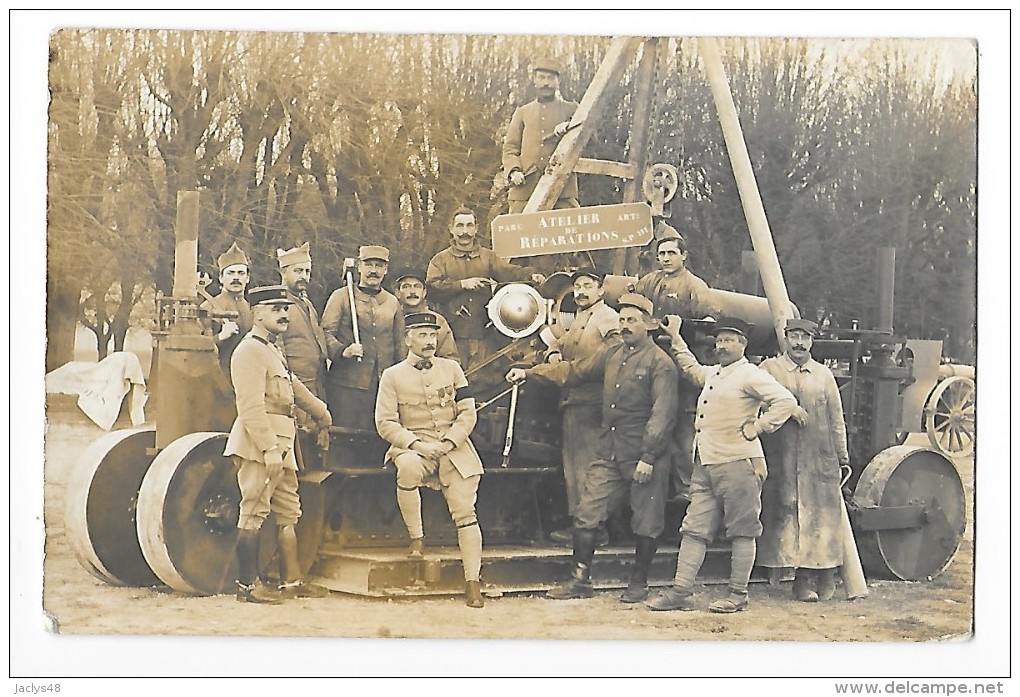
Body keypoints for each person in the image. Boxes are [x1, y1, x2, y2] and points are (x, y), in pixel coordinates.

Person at [506, 293, 679, 603]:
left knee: (646, 520)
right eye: (622, 320)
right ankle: (580, 580)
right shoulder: (612, 354)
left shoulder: (661, 364)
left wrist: (648, 457)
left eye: (632, 321)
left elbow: (662, 414)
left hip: (644, 455)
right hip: (609, 451)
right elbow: (574, 370)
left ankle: (638, 584)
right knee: (587, 512)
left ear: (649, 325)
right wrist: (530, 372)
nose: (625, 326)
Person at [645, 315, 797, 614]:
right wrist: (676, 337)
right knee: (694, 529)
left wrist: (759, 426)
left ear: (743, 344)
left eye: (730, 340)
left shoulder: (750, 374)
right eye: (720, 340)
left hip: (739, 463)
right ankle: (680, 591)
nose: (722, 345)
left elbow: (786, 401)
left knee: (742, 531)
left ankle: (738, 595)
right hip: (707, 463)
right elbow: (691, 368)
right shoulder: (716, 373)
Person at [224, 285, 333, 603]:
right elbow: (250, 407)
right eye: (275, 309)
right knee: (254, 510)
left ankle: (292, 582)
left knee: (289, 512)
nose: (284, 314)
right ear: (257, 314)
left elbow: (293, 388)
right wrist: (269, 448)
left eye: (286, 308)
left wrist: (323, 415)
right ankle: (247, 587)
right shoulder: (249, 351)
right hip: (260, 445)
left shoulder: (272, 349)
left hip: (285, 444)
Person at [375, 312, 486, 608]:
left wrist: (449, 441)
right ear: (408, 339)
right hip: (414, 446)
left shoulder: (452, 369)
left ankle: (473, 581)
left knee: (465, 509)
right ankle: (417, 539)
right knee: (408, 467)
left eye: (432, 335)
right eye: (422, 335)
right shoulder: (393, 375)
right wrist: (418, 445)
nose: (429, 341)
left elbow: (467, 412)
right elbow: (385, 423)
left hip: (453, 447)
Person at [757, 318, 851, 602]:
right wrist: (786, 409)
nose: (799, 343)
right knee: (781, 513)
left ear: (812, 341)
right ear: (785, 338)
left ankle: (810, 577)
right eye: (794, 336)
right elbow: (756, 404)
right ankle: (776, 572)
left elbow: (836, 418)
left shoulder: (824, 375)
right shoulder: (769, 370)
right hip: (780, 454)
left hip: (817, 456)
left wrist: (842, 455)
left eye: (805, 338)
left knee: (817, 518)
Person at [633, 223, 723, 503]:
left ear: (684, 256)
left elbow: (711, 318)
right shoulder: (651, 281)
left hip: (682, 361)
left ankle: (686, 491)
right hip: (652, 359)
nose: (667, 258)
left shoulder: (694, 285)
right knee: (652, 421)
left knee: (684, 430)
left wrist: (685, 334)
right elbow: (633, 298)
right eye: (662, 254)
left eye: (672, 253)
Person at [542, 268, 623, 546]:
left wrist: (577, 370)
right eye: (577, 287)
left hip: (593, 401)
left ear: (601, 290)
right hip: (574, 400)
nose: (580, 292)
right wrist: (553, 351)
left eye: (587, 285)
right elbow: (563, 344)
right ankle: (583, 523)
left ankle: (593, 528)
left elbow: (616, 351)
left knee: (589, 465)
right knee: (575, 465)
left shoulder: (607, 317)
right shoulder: (580, 318)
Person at [426, 205, 545, 372]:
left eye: (469, 225)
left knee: (484, 379)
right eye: (460, 226)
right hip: (451, 336)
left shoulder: (488, 257)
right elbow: (431, 289)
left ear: (476, 229)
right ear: (451, 229)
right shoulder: (440, 260)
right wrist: (462, 284)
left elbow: (509, 273)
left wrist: (530, 275)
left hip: (483, 334)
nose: (464, 231)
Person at [321, 245, 404, 433]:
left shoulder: (392, 303)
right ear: (359, 267)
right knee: (344, 437)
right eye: (368, 265)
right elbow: (325, 334)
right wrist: (344, 350)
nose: (373, 270)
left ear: (386, 270)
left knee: (379, 437)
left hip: (383, 385)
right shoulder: (341, 297)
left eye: (379, 266)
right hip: (347, 385)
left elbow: (400, 344)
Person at [276, 242, 339, 469]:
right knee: (296, 449)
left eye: (307, 271)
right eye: (298, 271)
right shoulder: (278, 305)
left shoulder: (307, 304)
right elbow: (277, 349)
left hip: (316, 386)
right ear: (283, 272)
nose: (304, 276)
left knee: (313, 446)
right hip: (296, 388)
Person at [502, 56, 580, 214]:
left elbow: (591, 141)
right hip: (525, 189)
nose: (546, 83)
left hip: (562, 191)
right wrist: (514, 171)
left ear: (558, 82)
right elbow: (510, 148)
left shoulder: (572, 110)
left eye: (551, 78)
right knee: (519, 235)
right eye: (542, 78)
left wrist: (571, 128)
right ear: (534, 81)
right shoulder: (522, 112)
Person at [201, 242, 253, 382]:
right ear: (221, 278)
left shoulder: (252, 308)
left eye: (241, 273)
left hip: (247, 377)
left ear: (247, 278)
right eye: (230, 273)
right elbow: (196, 350)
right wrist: (220, 337)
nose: (236, 277)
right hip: (218, 379)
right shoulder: (208, 307)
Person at [391, 267, 460, 363]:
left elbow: (449, 358)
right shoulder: (391, 317)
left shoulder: (438, 321)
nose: (412, 291)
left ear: (424, 292)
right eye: (406, 286)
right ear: (397, 292)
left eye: (417, 286)